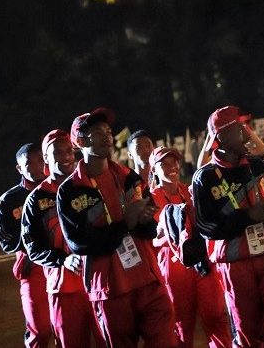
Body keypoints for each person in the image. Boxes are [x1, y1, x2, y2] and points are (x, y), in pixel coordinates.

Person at [57, 108, 178, 348]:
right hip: (110, 289)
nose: (107, 136)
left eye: (108, 131)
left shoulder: (128, 177)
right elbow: (79, 243)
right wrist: (126, 224)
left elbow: (153, 228)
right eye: (97, 133)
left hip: (148, 281)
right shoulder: (70, 191)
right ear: (80, 141)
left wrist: (143, 221)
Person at [192, 106, 264, 348]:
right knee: (247, 333)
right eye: (238, 129)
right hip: (236, 265)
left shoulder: (258, 166)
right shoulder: (205, 177)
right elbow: (205, 227)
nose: (246, 133)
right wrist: (247, 216)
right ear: (219, 138)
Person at [21, 129, 102, 348]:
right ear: (46, 158)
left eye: (69, 151)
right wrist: (63, 260)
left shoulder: (88, 187)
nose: (66, 156)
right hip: (64, 290)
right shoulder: (36, 199)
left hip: (99, 283)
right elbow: (33, 248)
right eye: (58, 152)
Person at [149, 146, 231, 348]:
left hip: (201, 261)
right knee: (181, 324)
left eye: (174, 161)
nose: (171, 167)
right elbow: (151, 237)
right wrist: (168, 226)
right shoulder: (150, 198)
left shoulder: (190, 190)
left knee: (215, 315)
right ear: (154, 170)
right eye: (164, 164)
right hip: (173, 264)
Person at [0, 142, 52, 348]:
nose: (38, 167)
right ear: (20, 168)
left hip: (63, 265)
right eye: (30, 163)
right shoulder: (9, 201)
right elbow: (6, 241)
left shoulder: (59, 188)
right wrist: (32, 242)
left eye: (41, 161)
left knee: (67, 325)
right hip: (33, 269)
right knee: (41, 329)